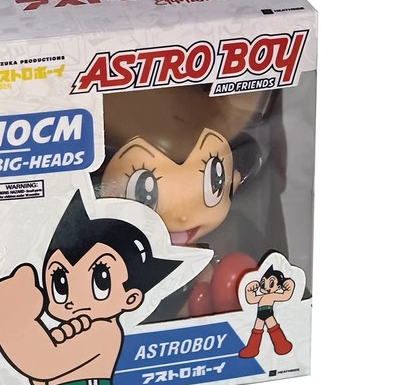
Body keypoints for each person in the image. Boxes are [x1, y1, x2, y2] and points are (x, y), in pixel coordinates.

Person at [0, 191, 181, 385]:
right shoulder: (81, 326)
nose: (72, 299)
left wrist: (10, 319)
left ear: (131, 298)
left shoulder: (103, 331)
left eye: (100, 281)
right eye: (60, 282)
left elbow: (44, 364)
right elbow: (41, 378)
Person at [98, 86, 272, 320]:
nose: (182, 217)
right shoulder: (116, 261)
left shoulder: (208, 255)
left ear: (234, 181)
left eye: (214, 181)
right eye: (144, 194)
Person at [239, 266, 294, 358]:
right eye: (263, 282)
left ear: (278, 287)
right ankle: (252, 349)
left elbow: (285, 296)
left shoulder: (273, 295)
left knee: (273, 329)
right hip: (260, 313)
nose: (265, 286)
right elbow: (251, 300)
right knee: (256, 330)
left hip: (268, 312)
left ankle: (282, 345)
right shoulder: (262, 296)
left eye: (271, 283)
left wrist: (290, 286)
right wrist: (249, 290)